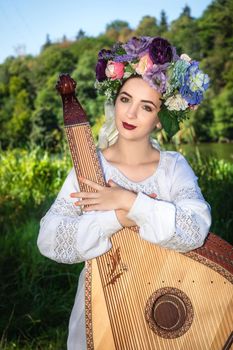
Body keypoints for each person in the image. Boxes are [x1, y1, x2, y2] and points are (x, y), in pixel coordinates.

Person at [37, 36, 212, 349]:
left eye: (146, 107)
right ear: (114, 100)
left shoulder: (173, 167)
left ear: (162, 118)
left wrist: (130, 201)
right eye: (125, 99)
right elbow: (49, 238)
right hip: (101, 308)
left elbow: (195, 229)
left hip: (166, 304)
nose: (130, 114)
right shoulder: (91, 170)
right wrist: (117, 218)